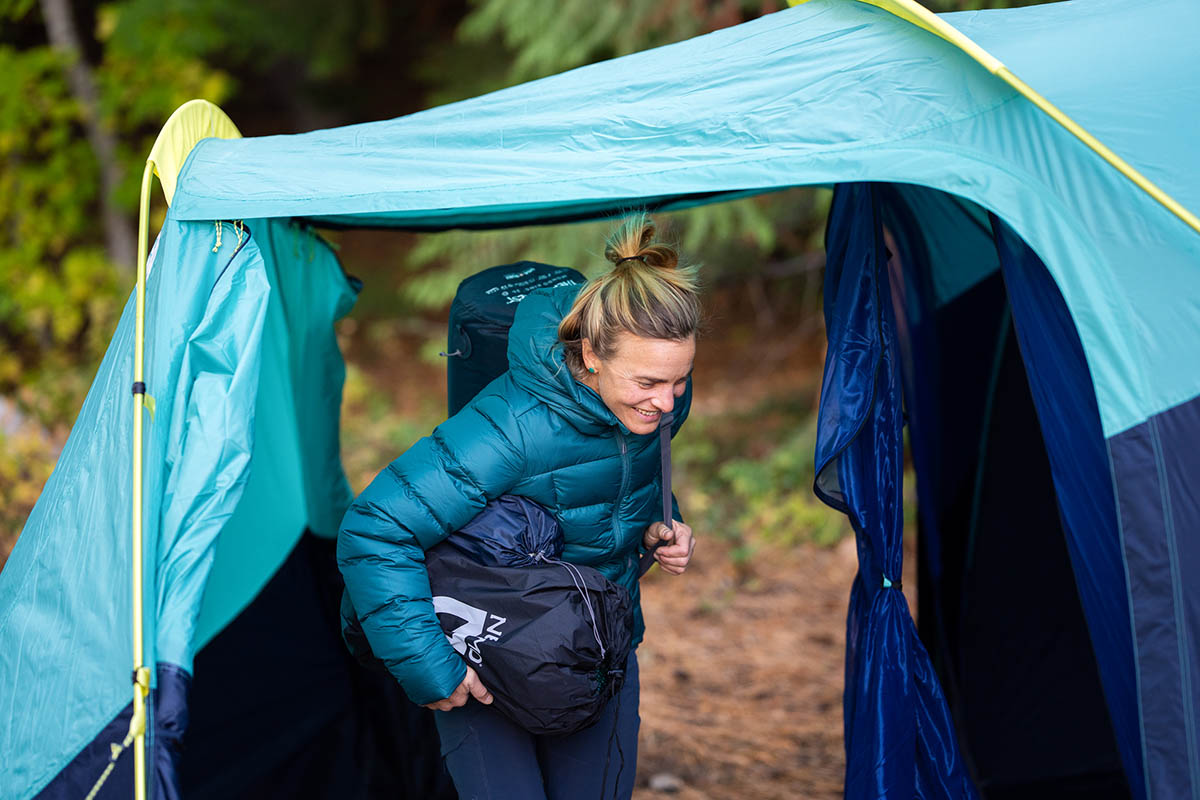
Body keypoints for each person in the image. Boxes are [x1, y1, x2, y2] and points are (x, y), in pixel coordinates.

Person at [337, 213, 699, 799]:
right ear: (589, 356)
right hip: (489, 660)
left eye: (679, 381)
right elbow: (375, 531)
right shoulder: (510, 428)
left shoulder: (649, 407)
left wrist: (662, 529)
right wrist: (432, 667)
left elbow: (608, 493)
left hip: (594, 652)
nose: (665, 402)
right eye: (648, 383)